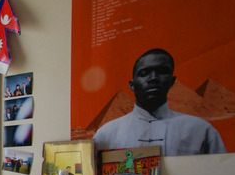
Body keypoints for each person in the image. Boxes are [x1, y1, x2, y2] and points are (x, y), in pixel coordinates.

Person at [92, 48, 226, 156]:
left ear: (172, 81)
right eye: (144, 73)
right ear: (132, 85)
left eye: (162, 71)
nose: (153, 78)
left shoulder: (200, 130)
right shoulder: (106, 134)